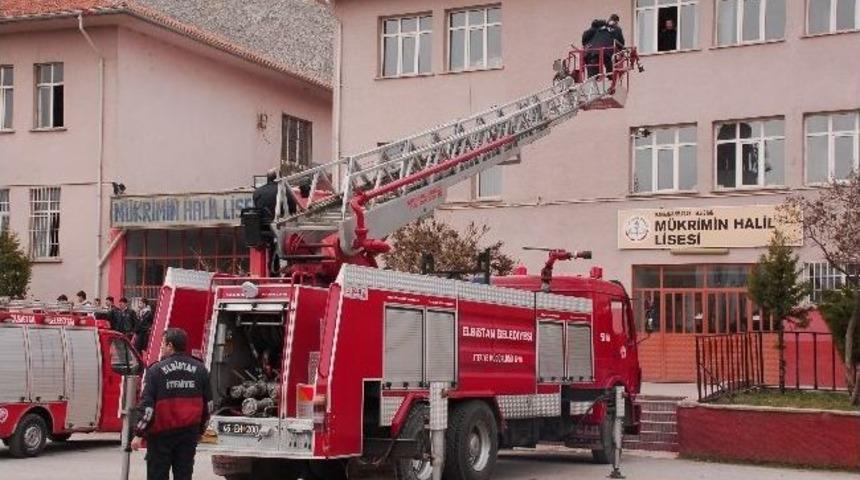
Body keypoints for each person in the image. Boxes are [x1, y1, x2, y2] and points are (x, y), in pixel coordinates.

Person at [131, 328, 212, 480]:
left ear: (170, 345)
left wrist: (139, 433)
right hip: (189, 434)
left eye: (163, 343)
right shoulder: (200, 369)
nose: (161, 347)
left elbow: (148, 408)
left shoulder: (156, 370)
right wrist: (200, 431)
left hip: (161, 435)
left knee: (157, 475)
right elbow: (208, 406)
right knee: (183, 475)